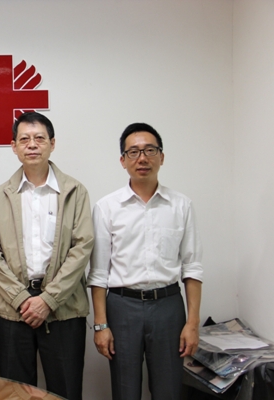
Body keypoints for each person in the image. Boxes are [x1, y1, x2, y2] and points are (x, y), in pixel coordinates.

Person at [0, 112, 94, 400]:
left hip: (63, 307)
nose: (32, 145)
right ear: (14, 146)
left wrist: (48, 300)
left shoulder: (75, 191)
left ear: (52, 144)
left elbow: (82, 247)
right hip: (13, 308)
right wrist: (21, 298)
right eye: (24, 139)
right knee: (14, 393)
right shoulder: (2, 195)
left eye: (39, 138)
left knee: (65, 390)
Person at [88, 122, 203, 400]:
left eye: (150, 150)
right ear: (123, 160)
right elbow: (99, 272)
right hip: (122, 307)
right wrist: (101, 325)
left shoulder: (181, 205)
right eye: (134, 152)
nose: (142, 158)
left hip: (168, 307)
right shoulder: (106, 207)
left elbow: (192, 267)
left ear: (161, 157)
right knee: (125, 391)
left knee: (169, 390)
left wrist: (192, 323)